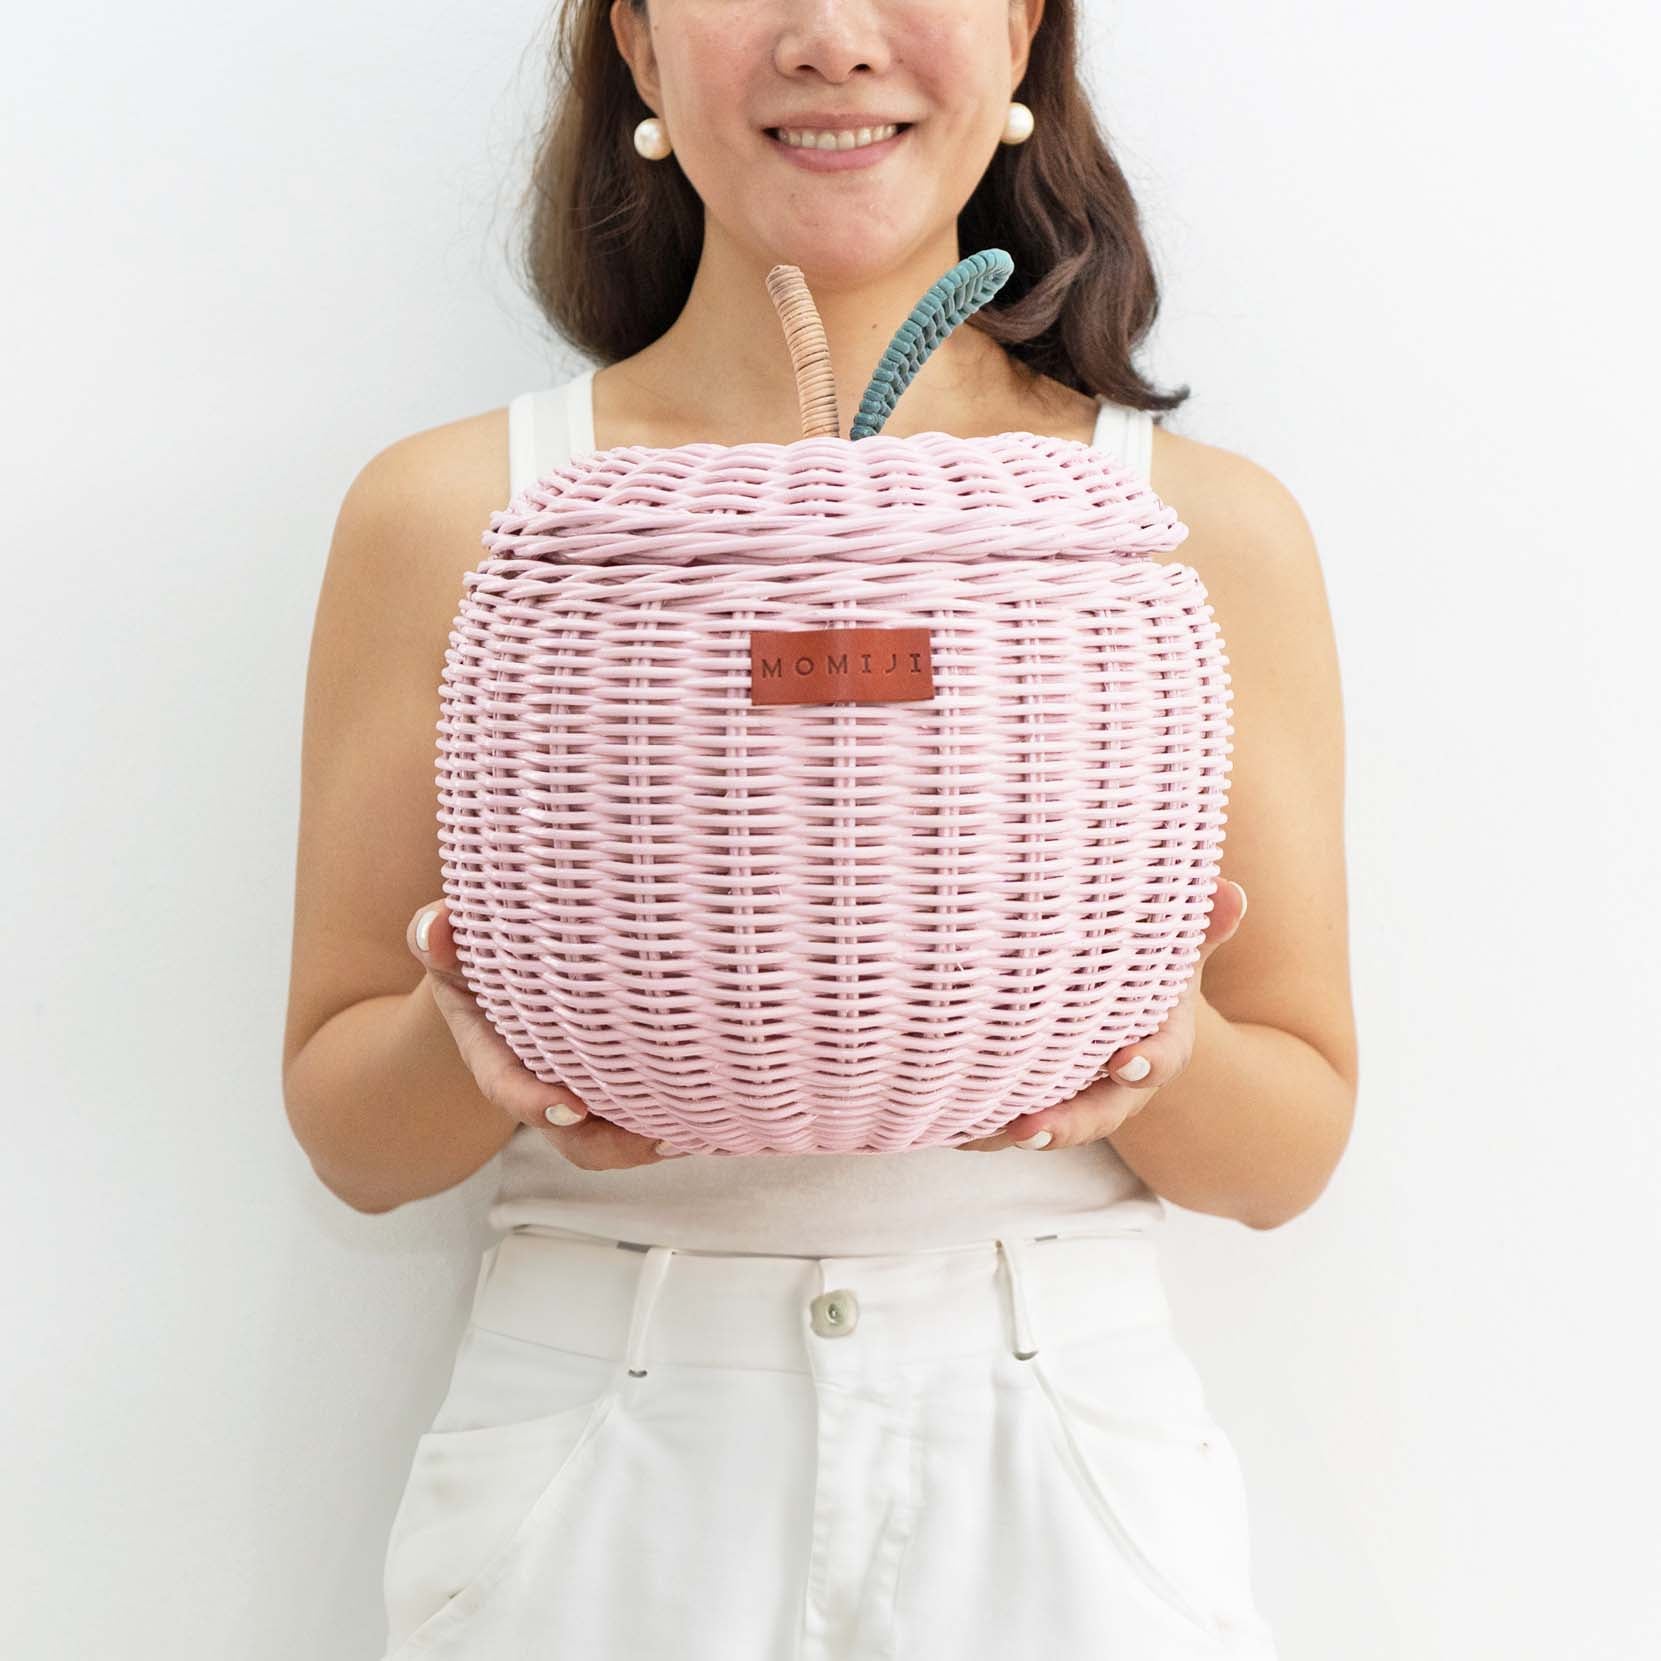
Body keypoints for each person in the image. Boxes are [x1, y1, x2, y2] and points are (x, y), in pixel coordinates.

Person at [281, 1, 1358, 1655]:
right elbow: (350, 1135)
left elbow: (1289, 1147)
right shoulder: (469, 519)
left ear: (1020, 35)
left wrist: (1151, 1036)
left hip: (1050, 1440)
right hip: (603, 1443)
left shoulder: (1180, 531)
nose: (836, 37)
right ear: (638, 46)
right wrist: (475, 1027)